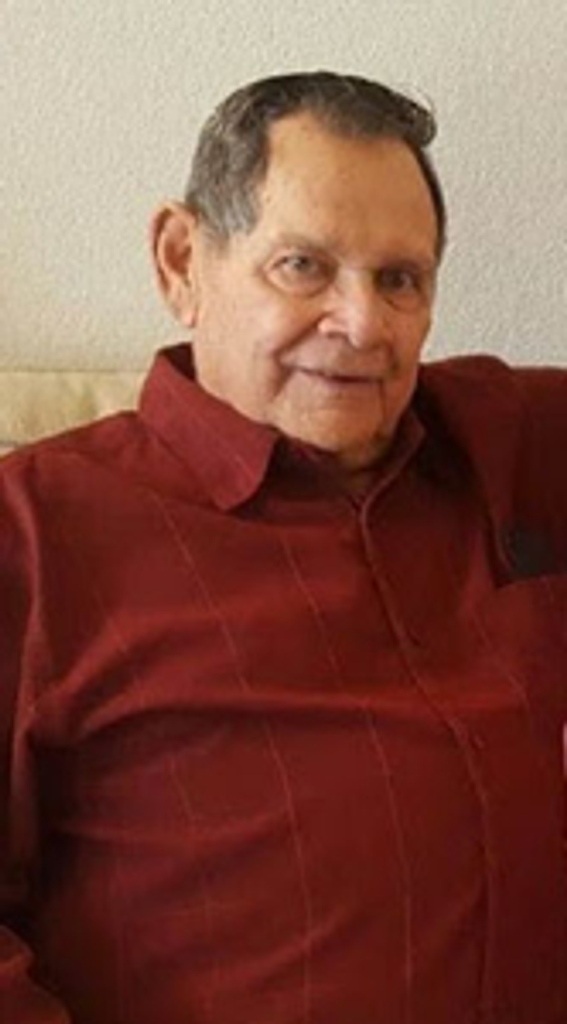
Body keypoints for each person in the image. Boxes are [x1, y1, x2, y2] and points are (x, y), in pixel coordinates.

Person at [1, 70, 566, 1024]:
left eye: (399, 279)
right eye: (302, 266)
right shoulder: (34, 530)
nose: (362, 324)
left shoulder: (503, 440)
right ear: (182, 260)